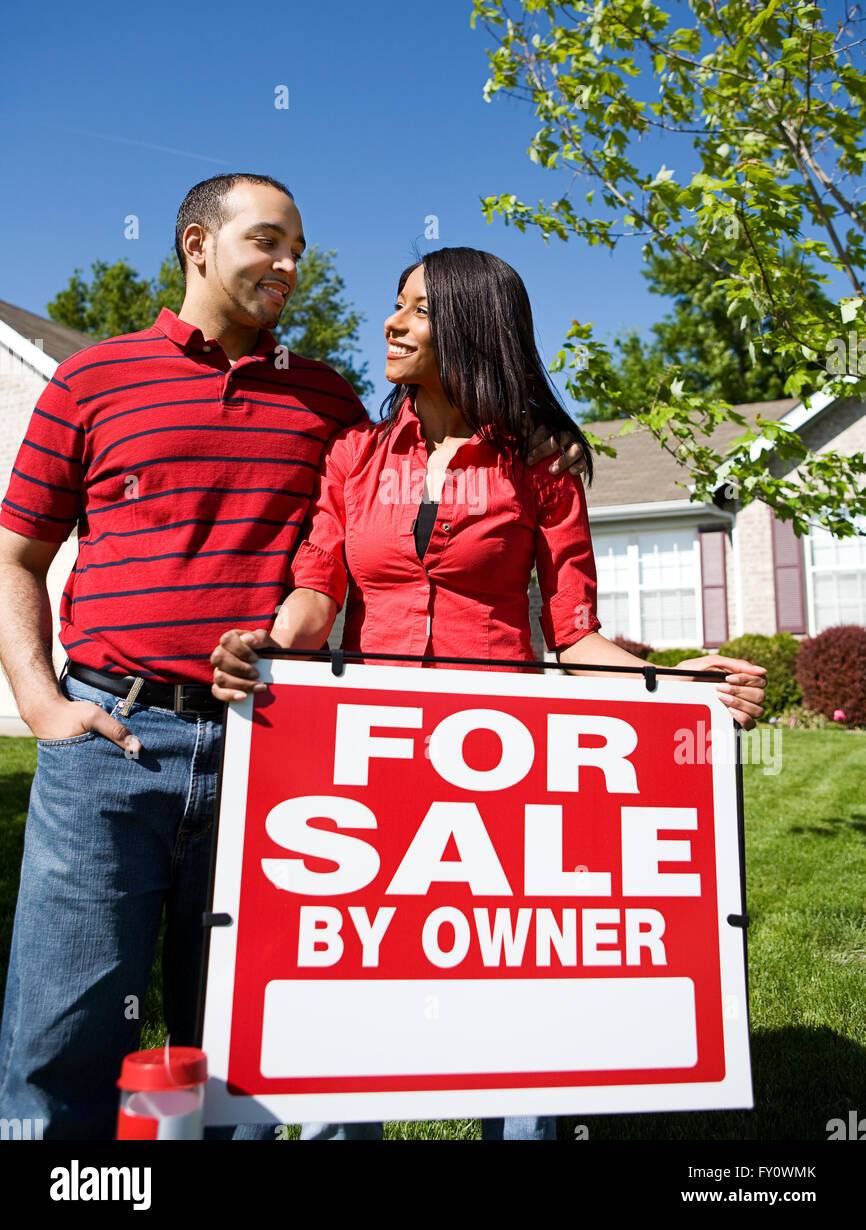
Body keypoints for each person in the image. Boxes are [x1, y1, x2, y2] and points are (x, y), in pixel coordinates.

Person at [0, 179, 590, 1141]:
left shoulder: (332, 405)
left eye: (299, 249)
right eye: (268, 242)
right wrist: (41, 701)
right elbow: (18, 554)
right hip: (111, 739)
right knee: (60, 1034)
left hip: (273, 751)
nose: (291, 266)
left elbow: (330, 583)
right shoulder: (92, 381)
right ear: (198, 244)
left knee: (252, 1037)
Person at [210, 245, 767, 1141]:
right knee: (354, 984)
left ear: (474, 327)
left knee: (513, 994)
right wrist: (264, 652)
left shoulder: (542, 463)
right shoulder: (353, 455)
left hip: (497, 765)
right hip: (370, 756)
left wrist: (679, 678)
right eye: (396, 305)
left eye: (419, 310)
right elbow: (318, 597)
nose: (391, 324)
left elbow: (575, 635)